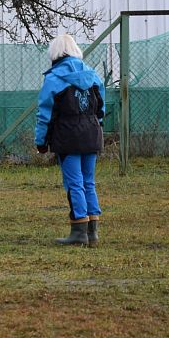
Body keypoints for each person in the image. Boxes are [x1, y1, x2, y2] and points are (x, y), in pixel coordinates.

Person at [35, 33, 105, 246]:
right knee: (88, 182)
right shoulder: (92, 74)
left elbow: (45, 112)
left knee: (74, 183)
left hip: (67, 136)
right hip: (91, 134)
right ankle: (92, 232)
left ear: (55, 53)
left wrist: (41, 141)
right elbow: (100, 107)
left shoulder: (54, 78)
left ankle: (78, 232)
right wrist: (96, 126)